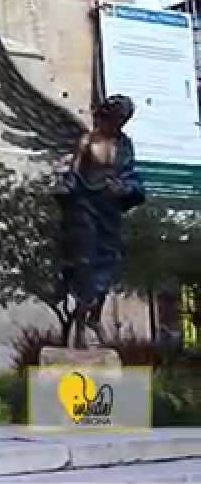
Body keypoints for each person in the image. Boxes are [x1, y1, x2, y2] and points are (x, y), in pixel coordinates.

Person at [55, 94, 146, 348]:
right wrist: (65, 186)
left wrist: (125, 188)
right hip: (85, 207)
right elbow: (73, 174)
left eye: (122, 120)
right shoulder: (86, 141)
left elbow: (130, 174)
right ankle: (81, 327)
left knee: (108, 264)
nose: (118, 124)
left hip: (109, 211)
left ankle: (95, 317)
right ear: (106, 116)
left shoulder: (124, 144)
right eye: (115, 118)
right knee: (85, 264)